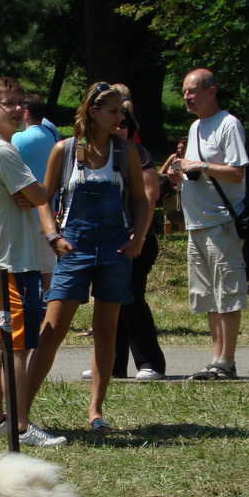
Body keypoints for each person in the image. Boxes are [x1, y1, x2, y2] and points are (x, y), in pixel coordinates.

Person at [25, 82, 150, 436]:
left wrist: (138, 237)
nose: (120, 117)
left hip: (114, 249)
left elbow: (141, 200)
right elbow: (43, 199)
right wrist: (53, 236)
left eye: (122, 111)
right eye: (112, 111)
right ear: (92, 112)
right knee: (51, 331)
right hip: (74, 247)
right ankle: (21, 413)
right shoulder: (64, 150)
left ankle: (96, 412)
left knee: (106, 331)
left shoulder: (125, 152)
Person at [0, 77, 66, 448]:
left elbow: (33, 197)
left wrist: (31, 195)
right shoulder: (1, 152)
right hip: (12, 263)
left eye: (19, 103)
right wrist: (34, 193)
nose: (16, 109)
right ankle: (21, 427)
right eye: (7, 103)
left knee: (1, 343)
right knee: (16, 346)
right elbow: (42, 193)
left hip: (6, 261)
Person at [166, 68, 249, 380]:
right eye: (185, 92)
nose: (186, 97)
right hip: (196, 224)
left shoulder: (228, 124)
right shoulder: (196, 126)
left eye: (192, 91)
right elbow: (198, 172)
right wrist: (180, 175)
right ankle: (216, 360)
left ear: (211, 91)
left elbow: (237, 172)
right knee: (207, 295)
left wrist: (200, 165)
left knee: (227, 291)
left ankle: (227, 360)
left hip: (221, 222)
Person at [111, 100, 166, 381]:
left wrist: (139, 235)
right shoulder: (97, 156)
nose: (119, 128)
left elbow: (150, 195)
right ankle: (113, 365)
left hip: (137, 239)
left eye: (124, 124)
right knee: (112, 301)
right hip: (110, 238)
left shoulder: (139, 154)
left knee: (131, 298)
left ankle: (151, 364)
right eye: (115, 122)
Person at [12, 93, 59, 290]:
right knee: (48, 264)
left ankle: (29, 304)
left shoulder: (19, 139)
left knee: (26, 265)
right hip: (49, 209)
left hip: (25, 210)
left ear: (26, 112)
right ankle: (49, 303)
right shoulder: (52, 134)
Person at [158, 137, 188, 235]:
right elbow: (161, 172)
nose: (180, 150)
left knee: (182, 219)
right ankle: (167, 236)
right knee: (168, 219)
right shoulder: (173, 157)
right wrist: (169, 174)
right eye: (179, 148)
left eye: (183, 148)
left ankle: (182, 235)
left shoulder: (190, 159)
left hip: (184, 191)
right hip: (170, 192)